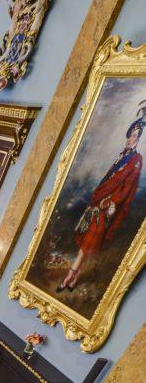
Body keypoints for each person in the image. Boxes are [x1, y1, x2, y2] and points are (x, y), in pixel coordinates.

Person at [57, 116, 144, 292]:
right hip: (99, 203)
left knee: (87, 245)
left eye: (134, 135)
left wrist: (109, 202)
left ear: (139, 139)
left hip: (108, 208)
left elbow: (127, 188)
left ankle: (68, 277)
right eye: (130, 134)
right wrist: (99, 198)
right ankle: (76, 277)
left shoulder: (136, 159)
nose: (130, 138)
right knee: (87, 244)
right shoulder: (123, 156)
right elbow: (108, 179)